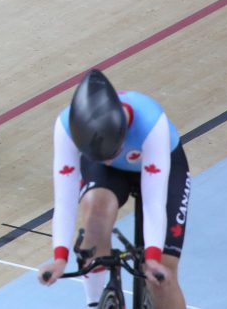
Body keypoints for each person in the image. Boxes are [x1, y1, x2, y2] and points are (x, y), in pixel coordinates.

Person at [39, 68, 191, 309]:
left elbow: (154, 202)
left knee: (163, 275)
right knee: (95, 212)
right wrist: (59, 258)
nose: (108, 161)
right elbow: (65, 201)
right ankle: (95, 302)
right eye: (102, 158)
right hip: (109, 170)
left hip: (160, 165)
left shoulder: (151, 122)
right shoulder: (65, 127)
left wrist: (152, 259)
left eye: (112, 154)